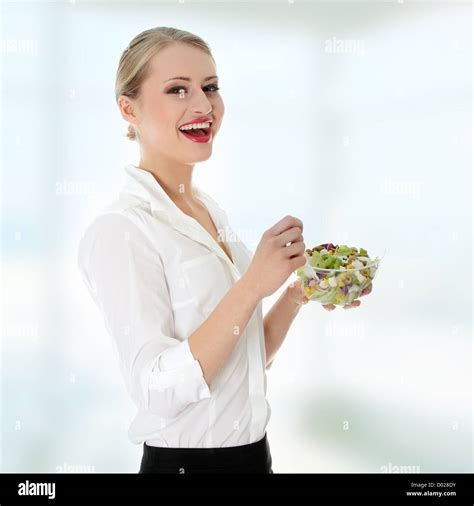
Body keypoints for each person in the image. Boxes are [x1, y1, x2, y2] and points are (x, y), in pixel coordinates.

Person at [77, 26, 366, 474]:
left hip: (255, 460)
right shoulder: (121, 231)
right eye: (178, 89)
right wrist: (251, 286)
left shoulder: (210, 212)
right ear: (127, 108)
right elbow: (157, 390)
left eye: (211, 88)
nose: (203, 106)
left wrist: (298, 293)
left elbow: (243, 357)